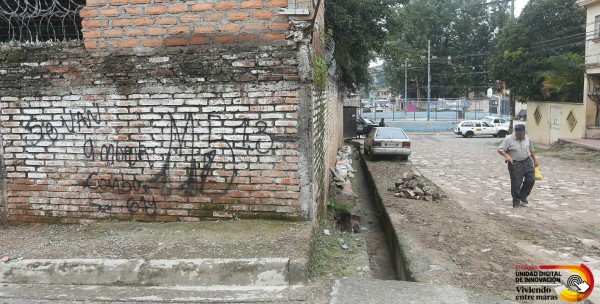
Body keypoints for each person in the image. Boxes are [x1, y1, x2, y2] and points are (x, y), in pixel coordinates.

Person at [497, 124, 539, 208]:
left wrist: (535, 160)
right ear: (516, 133)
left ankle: (523, 196)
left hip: (527, 161)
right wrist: (507, 156)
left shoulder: (527, 138)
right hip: (515, 164)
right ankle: (516, 201)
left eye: (523, 134)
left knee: (531, 180)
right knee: (516, 183)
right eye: (520, 134)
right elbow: (500, 149)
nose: (522, 136)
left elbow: (531, 149)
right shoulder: (508, 139)